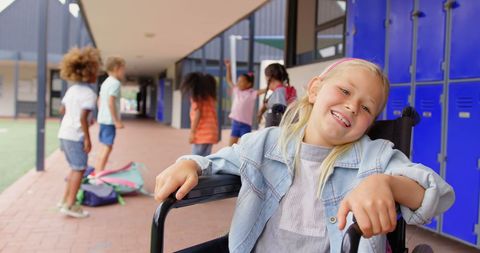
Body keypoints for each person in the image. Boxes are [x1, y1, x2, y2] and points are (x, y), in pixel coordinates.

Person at [154, 58, 455, 252]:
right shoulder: (265, 144)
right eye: (345, 91)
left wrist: (387, 184)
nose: (352, 107)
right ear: (315, 90)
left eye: (366, 108)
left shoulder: (374, 157)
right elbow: (217, 161)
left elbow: (437, 194)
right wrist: (190, 163)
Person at [57, 47, 101, 218]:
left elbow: (62, 110)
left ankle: (64, 200)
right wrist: (88, 140)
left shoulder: (71, 90)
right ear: (88, 71)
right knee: (79, 169)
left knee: (74, 168)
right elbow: (83, 119)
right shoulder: (89, 94)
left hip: (64, 134)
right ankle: (70, 205)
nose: (97, 73)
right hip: (76, 137)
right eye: (95, 70)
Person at [94, 56, 126, 173]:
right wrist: (116, 120)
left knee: (104, 146)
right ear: (117, 68)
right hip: (109, 121)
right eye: (123, 69)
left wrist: (101, 114)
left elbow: (99, 100)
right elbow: (111, 102)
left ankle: (97, 170)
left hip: (102, 119)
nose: (124, 72)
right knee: (108, 147)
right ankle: (99, 173)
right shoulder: (115, 83)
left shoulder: (105, 82)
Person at [225, 60, 266, 146]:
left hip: (246, 125)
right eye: (238, 81)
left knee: (245, 145)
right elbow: (229, 80)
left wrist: (272, 85)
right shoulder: (237, 90)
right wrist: (228, 67)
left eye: (241, 81)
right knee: (230, 146)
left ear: (248, 84)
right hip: (235, 123)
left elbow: (263, 90)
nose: (238, 83)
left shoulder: (252, 93)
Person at [181, 72, 218, 156]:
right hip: (211, 133)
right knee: (205, 157)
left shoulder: (197, 99)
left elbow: (197, 115)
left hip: (201, 133)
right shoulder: (211, 98)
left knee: (196, 158)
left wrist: (192, 132)